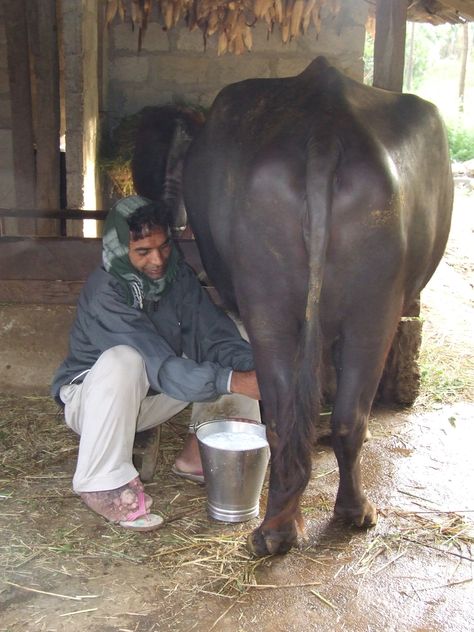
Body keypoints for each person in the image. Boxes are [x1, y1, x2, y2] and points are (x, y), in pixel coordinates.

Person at [51, 195, 260, 531]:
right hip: (96, 406)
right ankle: (101, 482)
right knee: (125, 359)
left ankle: (205, 452)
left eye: (163, 247)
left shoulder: (178, 277)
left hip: (153, 396)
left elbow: (214, 336)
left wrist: (262, 373)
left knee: (237, 334)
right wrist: (234, 381)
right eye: (143, 252)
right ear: (121, 249)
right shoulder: (105, 290)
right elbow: (156, 364)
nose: (158, 260)